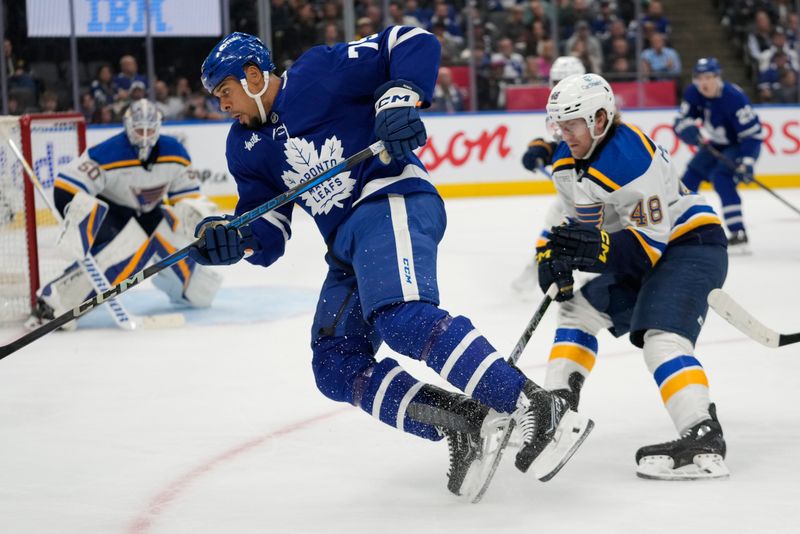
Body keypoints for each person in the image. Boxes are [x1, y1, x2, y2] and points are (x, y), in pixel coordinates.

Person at [193, 29, 593, 499]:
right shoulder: (243, 147)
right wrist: (233, 239)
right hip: (346, 243)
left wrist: (398, 97)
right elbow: (268, 228)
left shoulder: (318, 70)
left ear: (254, 75)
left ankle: (533, 405)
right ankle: (464, 423)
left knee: (401, 316)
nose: (221, 105)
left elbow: (410, 39)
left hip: (390, 198)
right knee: (335, 365)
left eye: (225, 91)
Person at [530, 72, 730, 480]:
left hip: (689, 245)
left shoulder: (630, 157)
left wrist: (595, 249)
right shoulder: (566, 164)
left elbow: (645, 250)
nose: (563, 134)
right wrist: (556, 256)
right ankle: (556, 409)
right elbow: (584, 226)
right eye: (559, 125)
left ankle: (703, 438)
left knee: (661, 338)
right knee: (575, 312)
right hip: (648, 250)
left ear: (600, 119)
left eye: (571, 124)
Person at [28, 100, 221, 330]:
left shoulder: (176, 152)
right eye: (140, 130)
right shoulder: (107, 152)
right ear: (129, 127)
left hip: (151, 214)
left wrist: (195, 218)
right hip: (113, 216)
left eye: (150, 130)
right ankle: (54, 302)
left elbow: (187, 197)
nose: (145, 136)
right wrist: (79, 216)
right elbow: (66, 187)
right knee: (123, 251)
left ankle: (179, 286)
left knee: (200, 293)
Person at [511, 56, 585, 296]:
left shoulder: (589, 109)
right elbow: (564, 145)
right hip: (575, 190)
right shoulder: (556, 112)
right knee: (555, 225)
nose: (559, 87)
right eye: (556, 81)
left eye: (565, 81)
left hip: (595, 189)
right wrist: (541, 148)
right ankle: (539, 273)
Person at [673, 57, 763, 249]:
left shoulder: (734, 98)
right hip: (716, 143)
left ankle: (738, 232)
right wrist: (685, 129)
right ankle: (678, 227)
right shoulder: (693, 92)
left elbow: (753, 135)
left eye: (708, 77)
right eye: (699, 78)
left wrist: (747, 162)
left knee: (722, 178)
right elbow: (681, 120)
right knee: (689, 178)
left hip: (738, 144)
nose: (703, 82)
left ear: (718, 77)